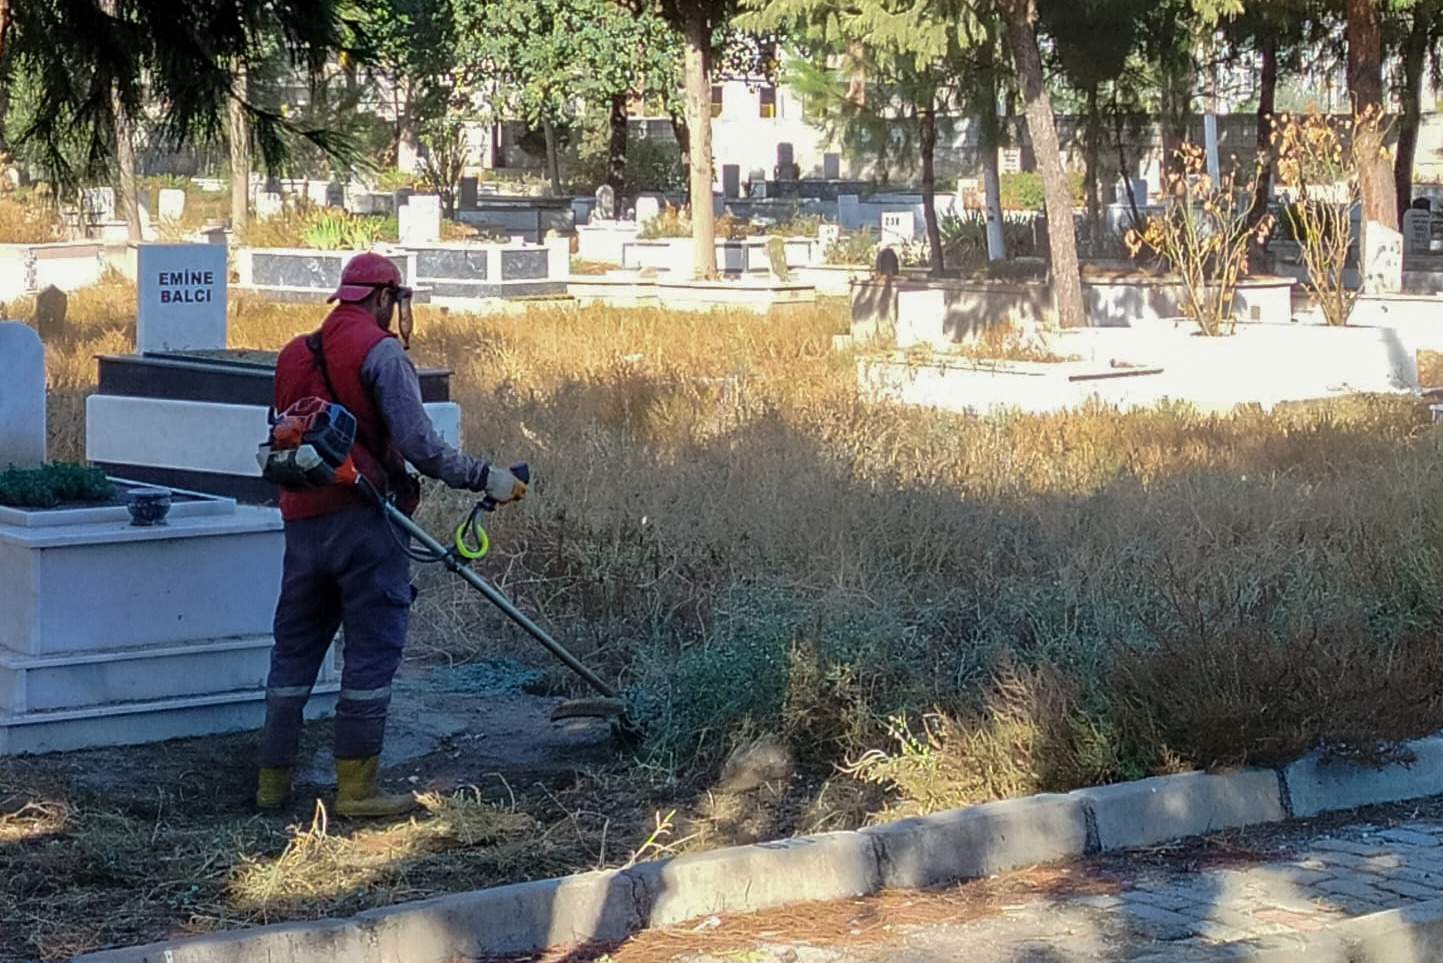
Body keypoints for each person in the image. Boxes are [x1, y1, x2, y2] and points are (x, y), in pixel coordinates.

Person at [255, 252, 527, 817]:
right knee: (372, 652)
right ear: (383, 298)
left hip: (302, 523)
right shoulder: (380, 352)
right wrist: (488, 478)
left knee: (294, 652)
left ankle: (271, 783)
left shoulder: (290, 354)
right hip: (364, 521)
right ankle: (356, 789)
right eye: (396, 301)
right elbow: (422, 449)